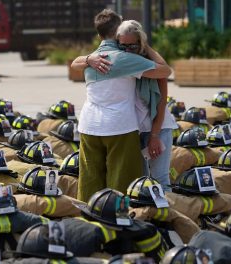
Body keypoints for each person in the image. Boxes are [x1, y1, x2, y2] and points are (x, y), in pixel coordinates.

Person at [70, 10, 172, 202]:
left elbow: (74, 64)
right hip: (119, 127)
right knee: (121, 181)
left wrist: (87, 59)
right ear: (118, 30)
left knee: (90, 179)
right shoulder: (126, 59)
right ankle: (118, 221)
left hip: (88, 125)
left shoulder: (91, 59)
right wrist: (146, 47)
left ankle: (88, 221)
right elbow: (165, 70)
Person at [115, 20, 177, 193]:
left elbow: (162, 101)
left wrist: (154, 135)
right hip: (134, 131)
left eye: (132, 46)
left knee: (160, 180)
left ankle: (167, 218)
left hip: (158, 128)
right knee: (140, 183)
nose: (127, 51)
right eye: (122, 46)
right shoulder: (121, 63)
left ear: (140, 43)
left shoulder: (151, 64)